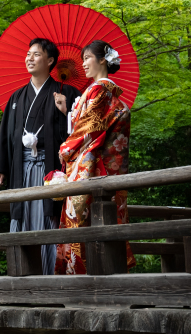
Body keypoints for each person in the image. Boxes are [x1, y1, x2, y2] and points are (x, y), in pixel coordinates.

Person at [0, 37, 81, 275]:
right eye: (28, 54)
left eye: (36, 54)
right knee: (22, 216)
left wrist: (65, 110)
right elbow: (7, 135)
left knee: (48, 216)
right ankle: (21, 276)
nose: (29, 58)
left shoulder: (66, 93)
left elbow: (80, 132)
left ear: (50, 61)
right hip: (21, 168)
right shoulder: (17, 98)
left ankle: (50, 275)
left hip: (52, 171)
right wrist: (3, 168)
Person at [54, 40, 136, 275]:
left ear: (102, 60)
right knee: (107, 222)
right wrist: (67, 111)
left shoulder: (99, 90)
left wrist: (66, 148)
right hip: (107, 170)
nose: (83, 64)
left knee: (82, 221)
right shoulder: (102, 91)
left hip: (92, 168)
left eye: (87, 58)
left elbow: (90, 130)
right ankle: (109, 273)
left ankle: (83, 278)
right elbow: (90, 124)